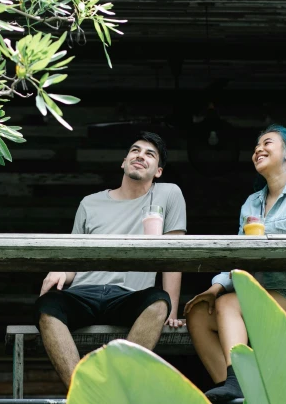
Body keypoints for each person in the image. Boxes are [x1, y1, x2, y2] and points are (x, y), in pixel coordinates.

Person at [184, 125, 286, 403]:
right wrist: (214, 289)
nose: (258, 149)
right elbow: (240, 259)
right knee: (199, 313)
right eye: (255, 147)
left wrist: (265, 259)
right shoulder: (252, 203)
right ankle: (237, 394)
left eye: (267, 143)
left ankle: (237, 382)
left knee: (230, 304)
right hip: (257, 295)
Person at [34, 131, 187, 388]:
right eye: (135, 151)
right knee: (46, 307)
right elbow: (75, 258)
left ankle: (119, 384)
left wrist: (171, 308)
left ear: (158, 171)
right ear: (124, 162)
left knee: (158, 302)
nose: (141, 156)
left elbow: (174, 254)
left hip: (129, 296)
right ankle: (82, 389)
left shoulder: (168, 194)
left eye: (150, 154)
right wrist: (60, 271)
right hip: (84, 292)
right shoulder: (90, 203)